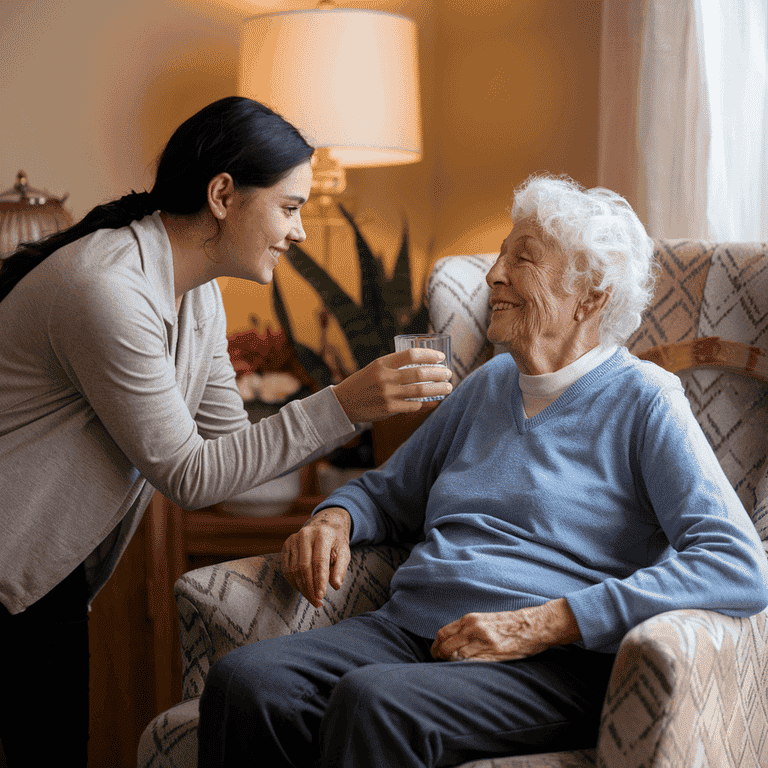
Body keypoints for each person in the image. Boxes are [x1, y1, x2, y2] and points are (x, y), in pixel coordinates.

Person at [197, 173, 768, 768]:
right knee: (247, 682)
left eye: (522, 260)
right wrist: (335, 519)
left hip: (545, 663)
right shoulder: (489, 384)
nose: (495, 275)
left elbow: (735, 563)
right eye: (500, 256)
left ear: (591, 297)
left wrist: (548, 622)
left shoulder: (646, 399)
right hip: (410, 631)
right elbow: (387, 494)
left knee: (377, 703)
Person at [0, 96, 452, 767]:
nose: (298, 232)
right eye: (290, 207)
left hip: (47, 574)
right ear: (223, 195)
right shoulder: (105, 291)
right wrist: (346, 403)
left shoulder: (198, 292)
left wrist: (349, 473)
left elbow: (227, 452)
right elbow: (188, 475)